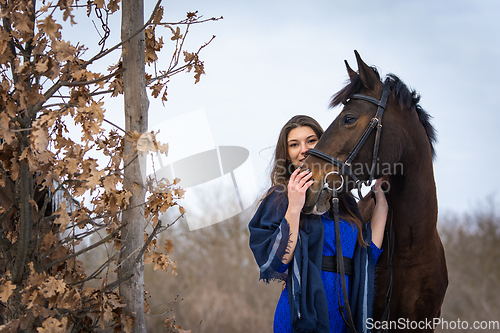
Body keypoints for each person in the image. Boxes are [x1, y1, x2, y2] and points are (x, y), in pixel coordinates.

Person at [248, 115, 389, 333]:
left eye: (311, 141)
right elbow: (277, 263)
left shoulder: (344, 200)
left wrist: (381, 203)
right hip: (303, 318)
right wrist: (294, 206)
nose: (303, 149)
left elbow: (367, 254)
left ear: (324, 145)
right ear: (287, 155)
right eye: (294, 145)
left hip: (346, 316)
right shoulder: (279, 197)